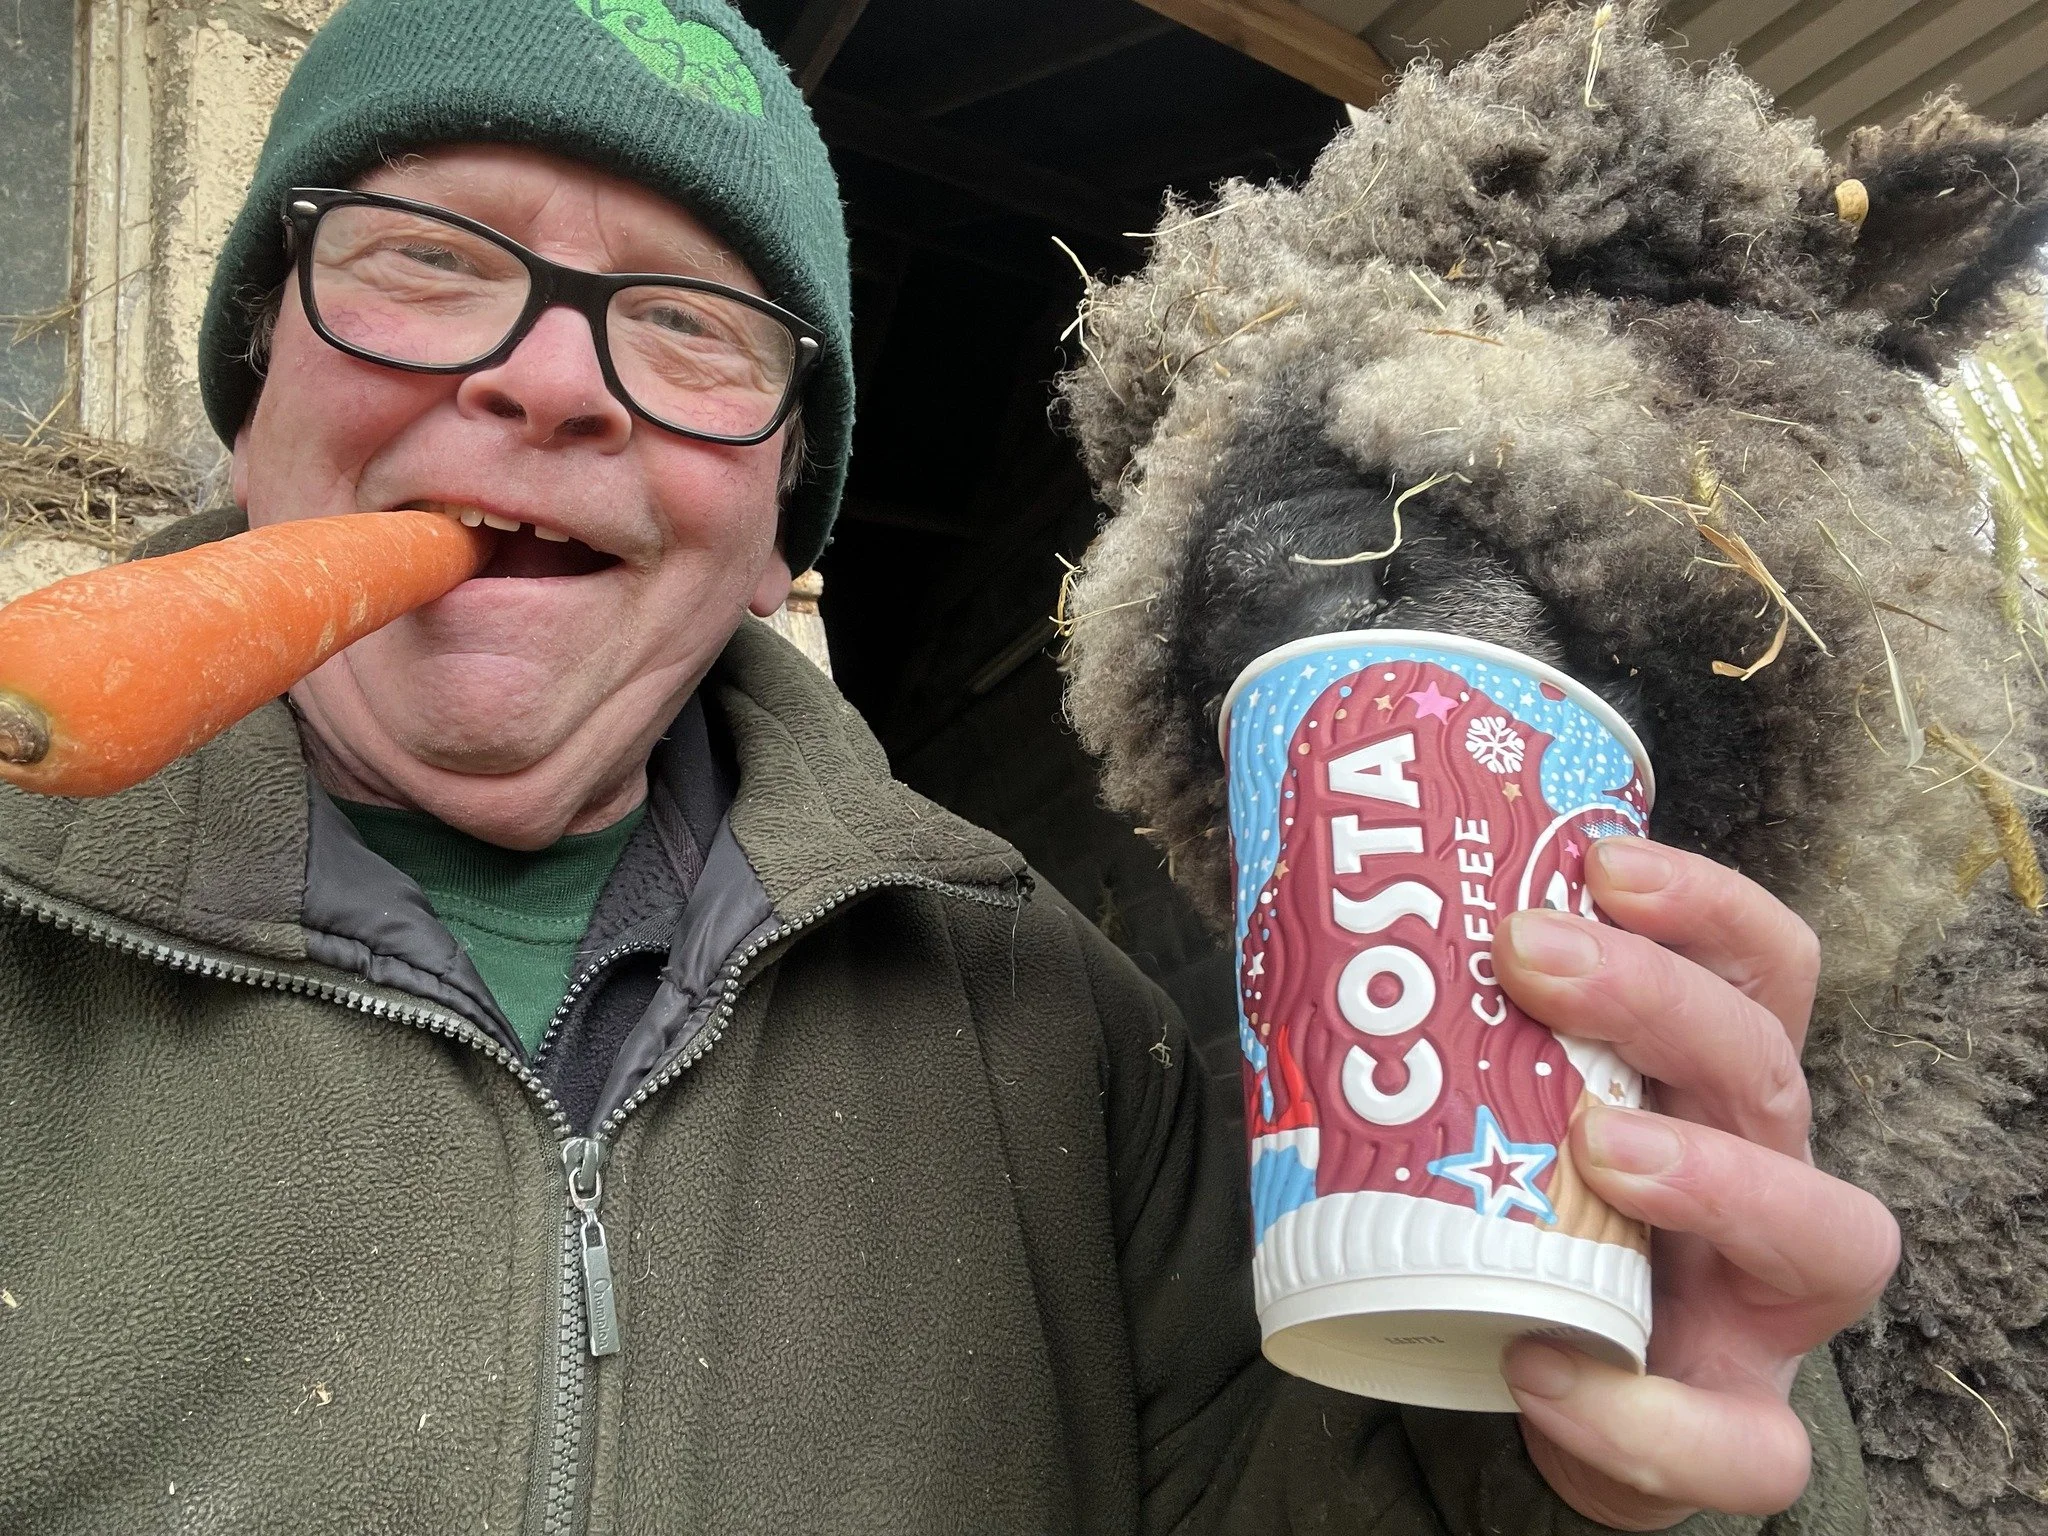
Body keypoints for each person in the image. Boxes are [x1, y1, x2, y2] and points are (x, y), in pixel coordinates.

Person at [0, 0, 1893, 1530]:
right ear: (256, 385)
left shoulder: (1059, 1031)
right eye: (425, 262)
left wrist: (1582, 1471)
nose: (553, 382)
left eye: (689, 326)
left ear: (776, 531)